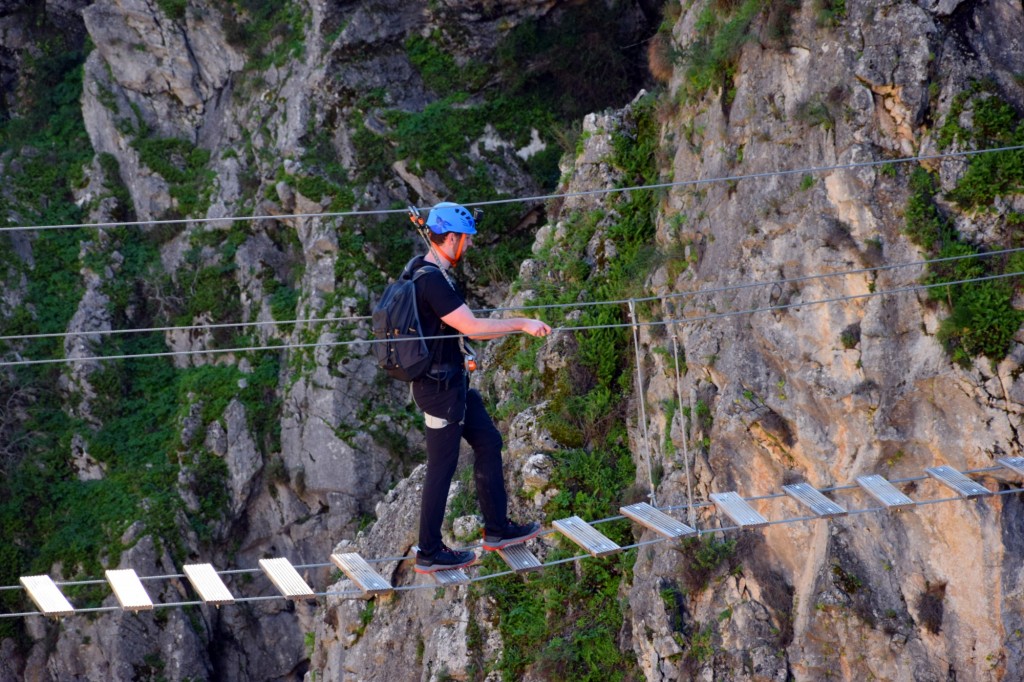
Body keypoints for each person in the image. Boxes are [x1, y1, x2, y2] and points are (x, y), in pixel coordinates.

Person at [409, 202, 551, 573]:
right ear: (450, 238)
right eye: (466, 238)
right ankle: (429, 551)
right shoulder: (431, 281)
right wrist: (521, 323)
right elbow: (472, 327)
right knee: (442, 467)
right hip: (439, 391)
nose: (469, 245)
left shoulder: (424, 270)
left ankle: (497, 528)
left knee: (488, 440)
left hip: (451, 383)